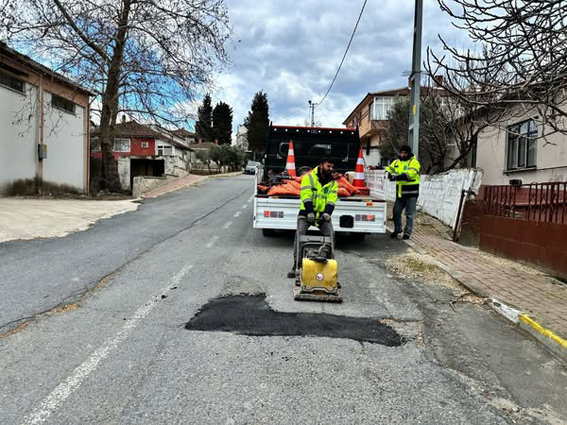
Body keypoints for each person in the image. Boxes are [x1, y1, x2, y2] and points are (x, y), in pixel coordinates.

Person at [288, 158, 338, 278]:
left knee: (331, 235)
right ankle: (297, 265)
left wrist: (327, 213)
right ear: (321, 165)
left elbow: (332, 199)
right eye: (328, 166)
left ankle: (324, 260)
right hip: (306, 214)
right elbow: (306, 196)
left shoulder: (333, 182)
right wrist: (309, 211)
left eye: (332, 167)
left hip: (322, 216)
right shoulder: (308, 178)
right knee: (299, 236)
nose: (331, 169)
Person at [385, 145, 421, 240]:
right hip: (400, 193)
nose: (403, 154)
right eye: (402, 152)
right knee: (396, 211)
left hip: (411, 193)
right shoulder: (396, 162)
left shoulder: (414, 162)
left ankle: (407, 233)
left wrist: (397, 177)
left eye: (405, 153)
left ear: (409, 153)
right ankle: (397, 229)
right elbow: (389, 169)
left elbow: (411, 174)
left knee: (409, 214)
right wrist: (389, 173)